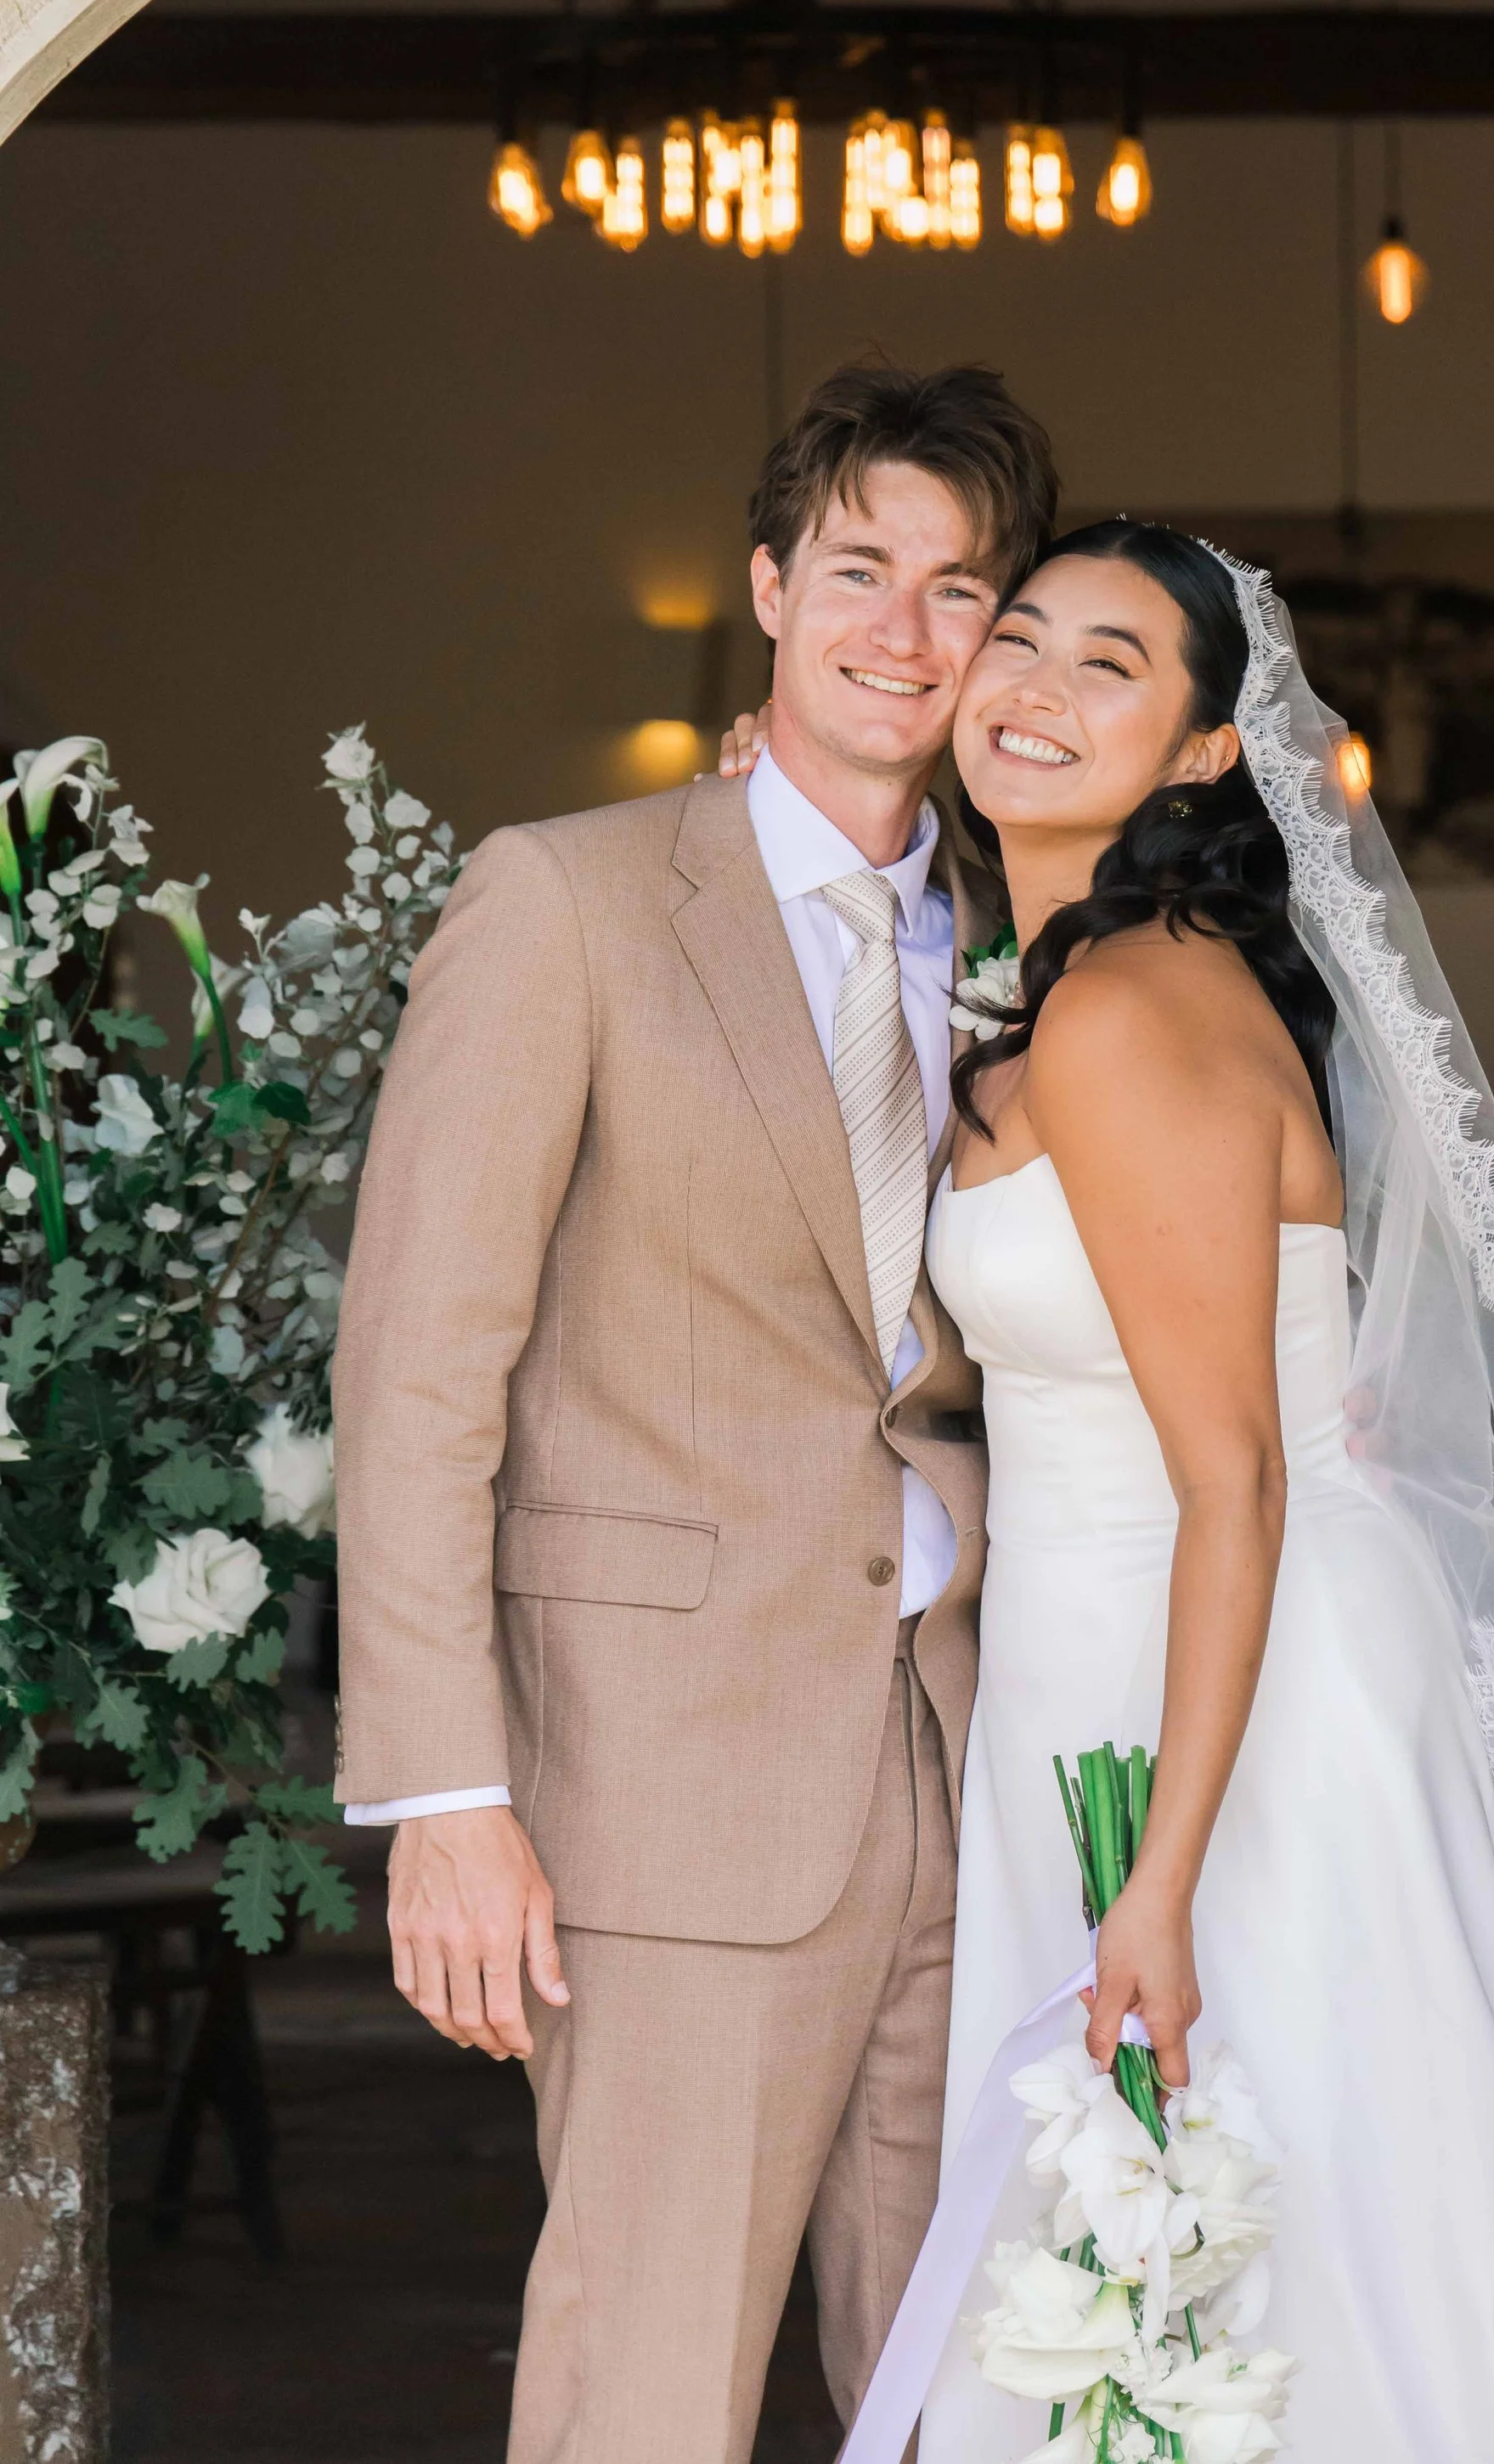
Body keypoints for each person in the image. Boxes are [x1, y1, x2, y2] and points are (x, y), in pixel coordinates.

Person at [882, 519, 1494, 2463]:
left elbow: (1229, 1482)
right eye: (1021, 640)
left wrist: (1157, 1878)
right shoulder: (1065, 991)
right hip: (1112, 1655)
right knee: (1192, 2240)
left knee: (1295, 2242)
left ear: (1210, 752)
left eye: (1109, 667)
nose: (1032, 691)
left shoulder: (1130, 1008)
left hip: (1224, 1680)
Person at [330, 360, 1057, 2464]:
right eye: (859, 571)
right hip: (661, 1792)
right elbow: (418, 1374)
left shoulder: (1024, 932)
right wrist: (439, 1792)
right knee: (644, 2396)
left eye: (957, 589)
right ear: (766, 584)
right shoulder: (560, 901)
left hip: (965, 1751)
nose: (903, 632)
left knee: (971, 2385)